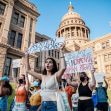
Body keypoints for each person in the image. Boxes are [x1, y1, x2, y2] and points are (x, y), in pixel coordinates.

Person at [26, 44, 66, 111]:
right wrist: (26, 55)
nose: (47, 63)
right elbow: (28, 70)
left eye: (50, 62)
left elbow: (63, 68)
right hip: (43, 104)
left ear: (53, 66)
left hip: (53, 105)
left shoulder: (56, 76)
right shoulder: (42, 76)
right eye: (46, 62)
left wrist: (61, 52)